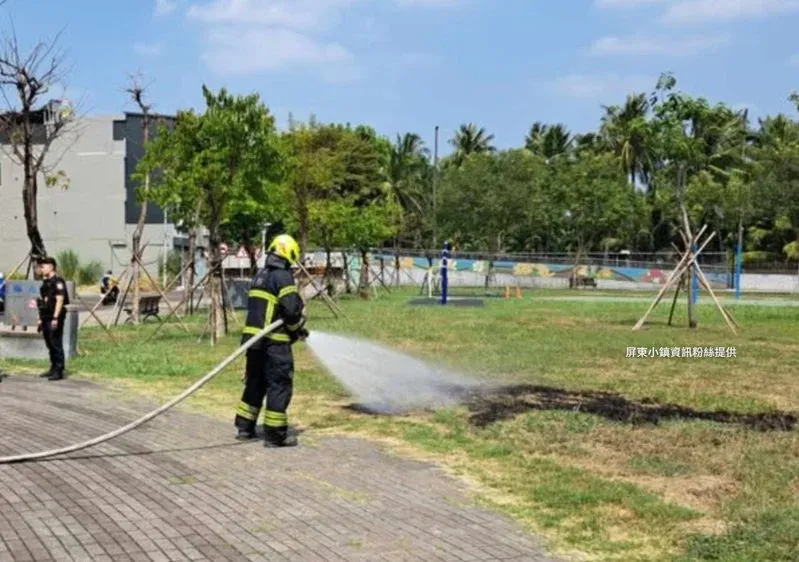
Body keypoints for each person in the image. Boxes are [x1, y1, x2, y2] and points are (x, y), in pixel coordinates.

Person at [235, 233, 308, 447]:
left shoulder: (260, 274)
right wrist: (295, 330)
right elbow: (291, 311)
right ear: (290, 253)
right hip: (274, 344)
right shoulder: (282, 276)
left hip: (254, 343)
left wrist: (295, 331)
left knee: (255, 383)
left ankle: (244, 428)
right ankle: (276, 436)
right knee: (279, 384)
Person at [36, 257, 70, 381]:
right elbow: (43, 302)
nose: (41, 269)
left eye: (43, 266)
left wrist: (55, 317)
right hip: (45, 316)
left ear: (51, 266)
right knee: (49, 343)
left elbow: (60, 300)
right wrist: (40, 318)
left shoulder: (58, 281)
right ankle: (53, 367)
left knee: (55, 342)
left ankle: (59, 370)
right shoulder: (46, 283)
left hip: (54, 317)